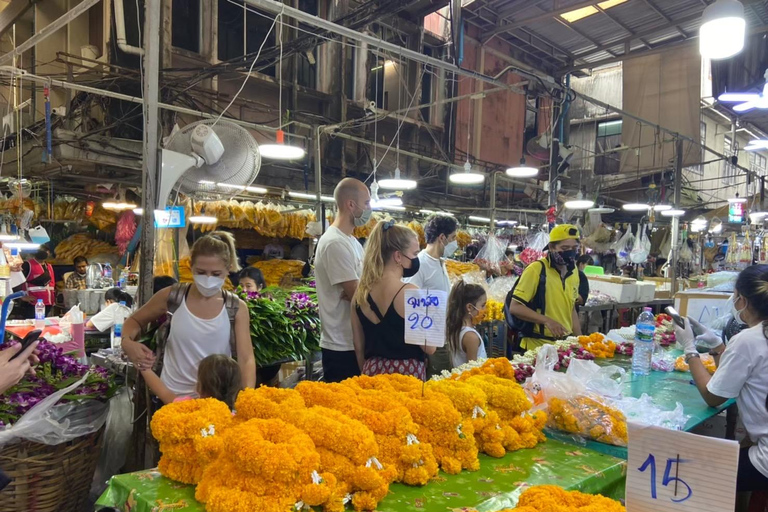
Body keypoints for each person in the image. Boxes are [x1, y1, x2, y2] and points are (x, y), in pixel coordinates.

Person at [120, 231, 256, 396]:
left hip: (216, 401)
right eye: (200, 272)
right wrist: (127, 343)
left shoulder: (236, 308)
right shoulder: (172, 297)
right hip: (170, 396)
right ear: (190, 265)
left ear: (228, 270)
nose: (207, 279)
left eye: (216, 274)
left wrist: (246, 397)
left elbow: (246, 358)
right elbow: (134, 321)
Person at [676, 264, 768, 492]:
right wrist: (716, 344)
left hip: (765, 460)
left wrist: (690, 349)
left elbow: (713, 396)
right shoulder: (755, 338)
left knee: (686, 473)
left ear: (743, 300)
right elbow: (731, 379)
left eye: (735, 296)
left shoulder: (749, 339)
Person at [351, 220, 435, 378]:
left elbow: (358, 346)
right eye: (415, 254)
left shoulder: (359, 294)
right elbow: (429, 347)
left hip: (371, 373)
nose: (416, 259)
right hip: (407, 375)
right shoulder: (412, 294)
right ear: (398, 256)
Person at [315, 178, 369, 382]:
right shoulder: (334, 243)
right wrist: (363, 292)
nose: (368, 209)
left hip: (354, 341)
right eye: (366, 203)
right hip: (341, 346)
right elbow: (358, 296)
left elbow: (364, 288)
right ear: (350, 205)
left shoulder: (352, 242)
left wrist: (364, 290)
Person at [506, 224, 582, 350]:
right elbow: (515, 307)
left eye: (574, 248)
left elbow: (571, 309)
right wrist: (547, 321)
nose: (570, 252)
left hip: (564, 346)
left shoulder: (573, 272)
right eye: (565, 248)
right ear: (552, 247)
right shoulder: (536, 269)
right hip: (537, 347)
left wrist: (580, 340)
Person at [404, 214, 458, 377]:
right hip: (429, 342)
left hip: (442, 337)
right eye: (453, 237)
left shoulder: (440, 262)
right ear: (442, 237)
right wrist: (425, 349)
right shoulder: (420, 265)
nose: (455, 242)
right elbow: (409, 306)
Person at [140, 353, 242, 408]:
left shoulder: (188, 408)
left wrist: (144, 366)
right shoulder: (235, 420)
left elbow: (163, 392)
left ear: (200, 387)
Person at [446, 281, 488, 368]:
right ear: (469, 307)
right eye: (483, 305)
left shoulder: (457, 328)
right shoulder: (471, 336)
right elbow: (473, 369)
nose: (485, 309)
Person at [15, 246, 55, 318]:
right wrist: (21, 297)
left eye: (46, 250)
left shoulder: (49, 266)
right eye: (41, 250)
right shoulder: (27, 265)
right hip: (32, 304)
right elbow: (16, 281)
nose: (44, 252)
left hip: (49, 303)